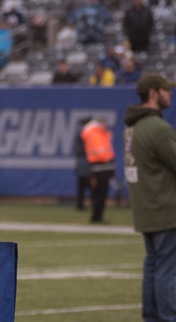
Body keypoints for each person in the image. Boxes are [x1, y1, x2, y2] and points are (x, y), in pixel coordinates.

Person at [124, 74, 176, 320]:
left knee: (153, 266)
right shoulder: (158, 128)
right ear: (154, 93)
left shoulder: (132, 127)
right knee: (168, 269)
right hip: (165, 207)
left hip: (145, 207)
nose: (170, 94)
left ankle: (152, 317)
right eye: (166, 90)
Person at [81, 115, 116, 223]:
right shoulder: (95, 133)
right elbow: (101, 151)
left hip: (100, 167)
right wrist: (108, 159)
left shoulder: (99, 133)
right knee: (99, 193)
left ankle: (97, 215)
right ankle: (97, 216)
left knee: (100, 193)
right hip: (101, 167)